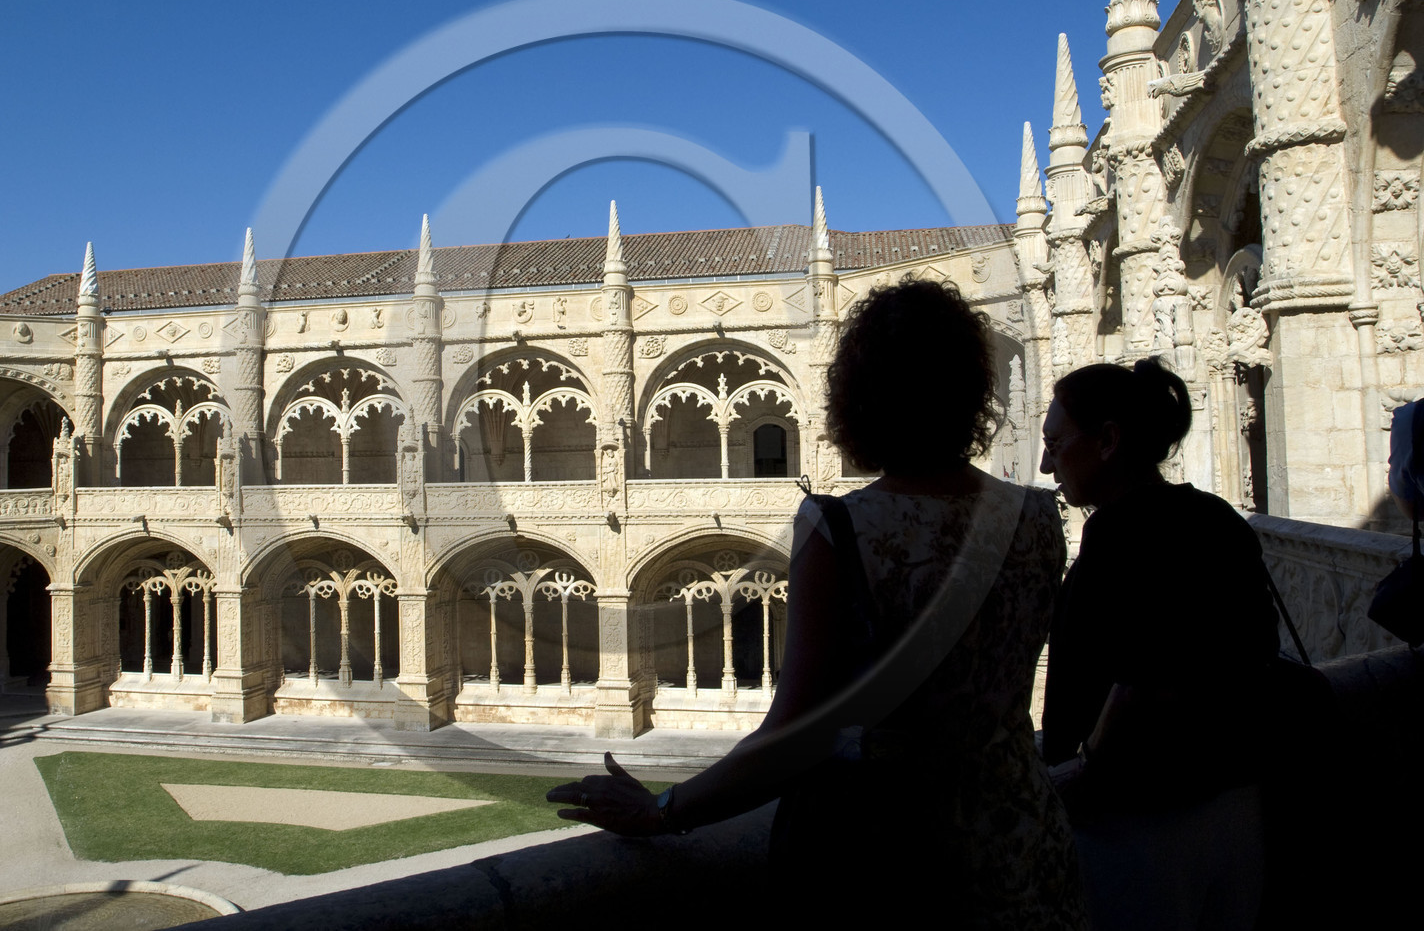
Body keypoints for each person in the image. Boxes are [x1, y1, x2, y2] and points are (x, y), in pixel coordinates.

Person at [547, 279, 1087, 927]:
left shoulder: (841, 527)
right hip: (1021, 838)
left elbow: (795, 738)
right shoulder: (1035, 518)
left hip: (885, 858)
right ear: (971, 393)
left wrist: (663, 810)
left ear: (857, 399)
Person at [1039, 359, 1279, 931]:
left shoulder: (1123, 540)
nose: (1046, 463)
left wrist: (1077, 776)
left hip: (1144, 826)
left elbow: (1145, 684)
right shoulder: (1215, 517)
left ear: (1108, 441)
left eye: (1055, 443)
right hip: (1234, 806)